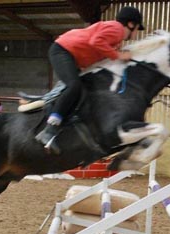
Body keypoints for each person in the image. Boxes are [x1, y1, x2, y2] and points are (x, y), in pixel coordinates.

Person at [35, 6, 145, 152]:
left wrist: (119, 55)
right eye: (137, 28)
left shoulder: (115, 39)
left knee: (84, 89)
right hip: (62, 51)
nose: (136, 33)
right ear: (131, 24)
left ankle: (64, 121)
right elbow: (95, 42)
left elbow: (101, 51)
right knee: (74, 86)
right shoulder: (117, 29)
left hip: (71, 56)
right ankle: (49, 130)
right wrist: (118, 55)